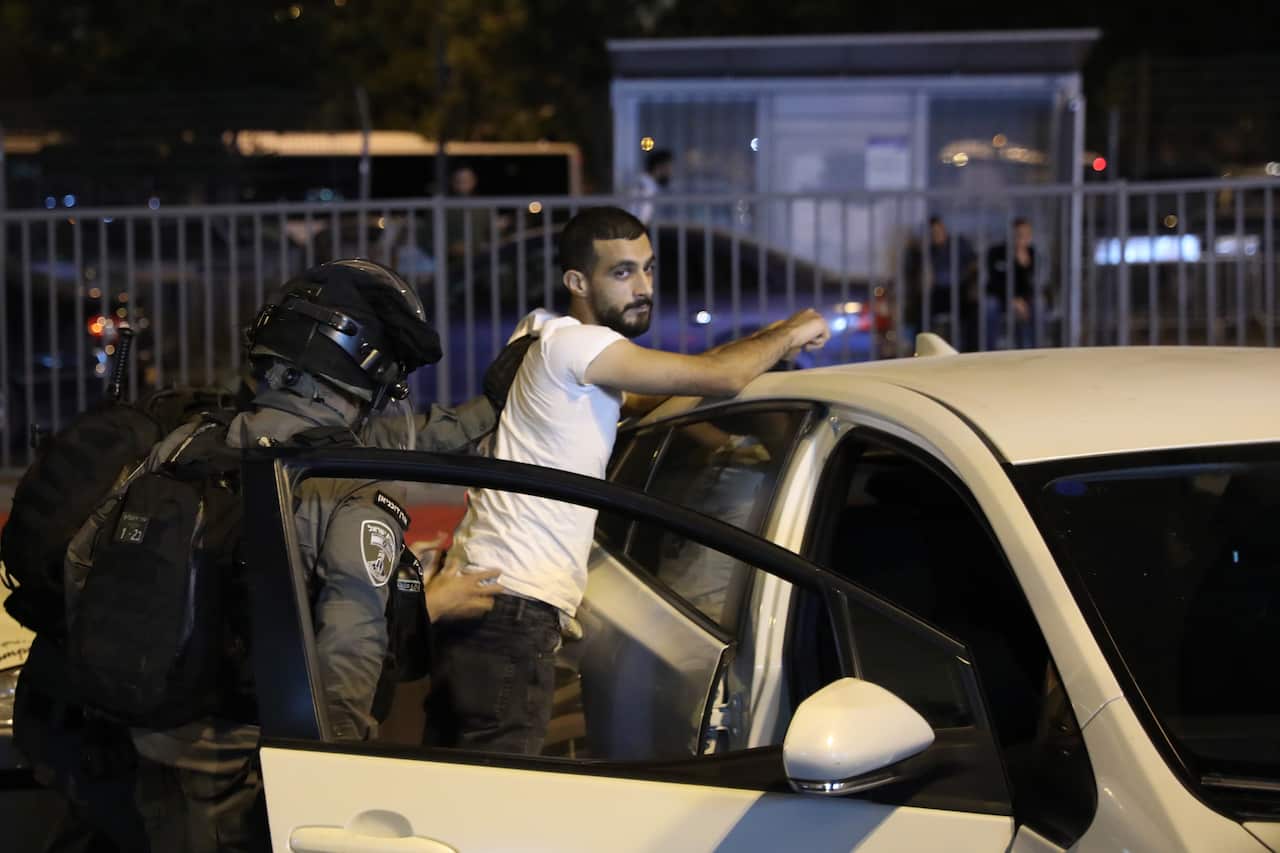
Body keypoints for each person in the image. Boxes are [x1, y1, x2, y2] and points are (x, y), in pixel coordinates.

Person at [23, 259, 522, 853]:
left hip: (135, 737)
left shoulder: (188, 442)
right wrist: (331, 789)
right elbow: (349, 655)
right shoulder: (347, 492)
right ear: (364, 378)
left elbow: (84, 565)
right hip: (233, 768)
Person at [426, 206, 829, 756]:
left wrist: (724, 436)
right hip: (515, 608)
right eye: (622, 273)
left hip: (481, 597)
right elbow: (720, 376)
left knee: (449, 787)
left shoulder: (539, 334)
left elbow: (657, 393)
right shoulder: (580, 347)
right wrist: (791, 332)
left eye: (648, 268)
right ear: (577, 282)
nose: (643, 287)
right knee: (496, 799)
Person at [985, 217, 1038, 349]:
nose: (1022, 238)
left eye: (1026, 235)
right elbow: (995, 282)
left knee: (1039, 306)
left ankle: (1032, 349)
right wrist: (1012, 300)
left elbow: (1035, 284)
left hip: (1024, 300)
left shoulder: (1033, 254)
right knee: (989, 306)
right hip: (1000, 298)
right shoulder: (996, 252)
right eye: (1019, 234)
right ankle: (989, 350)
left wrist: (1024, 266)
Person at [629, 149, 673, 225]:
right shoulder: (646, 189)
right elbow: (641, 219)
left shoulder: (646, 185)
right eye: (668, 168)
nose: (670, 173)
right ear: (659, 167)